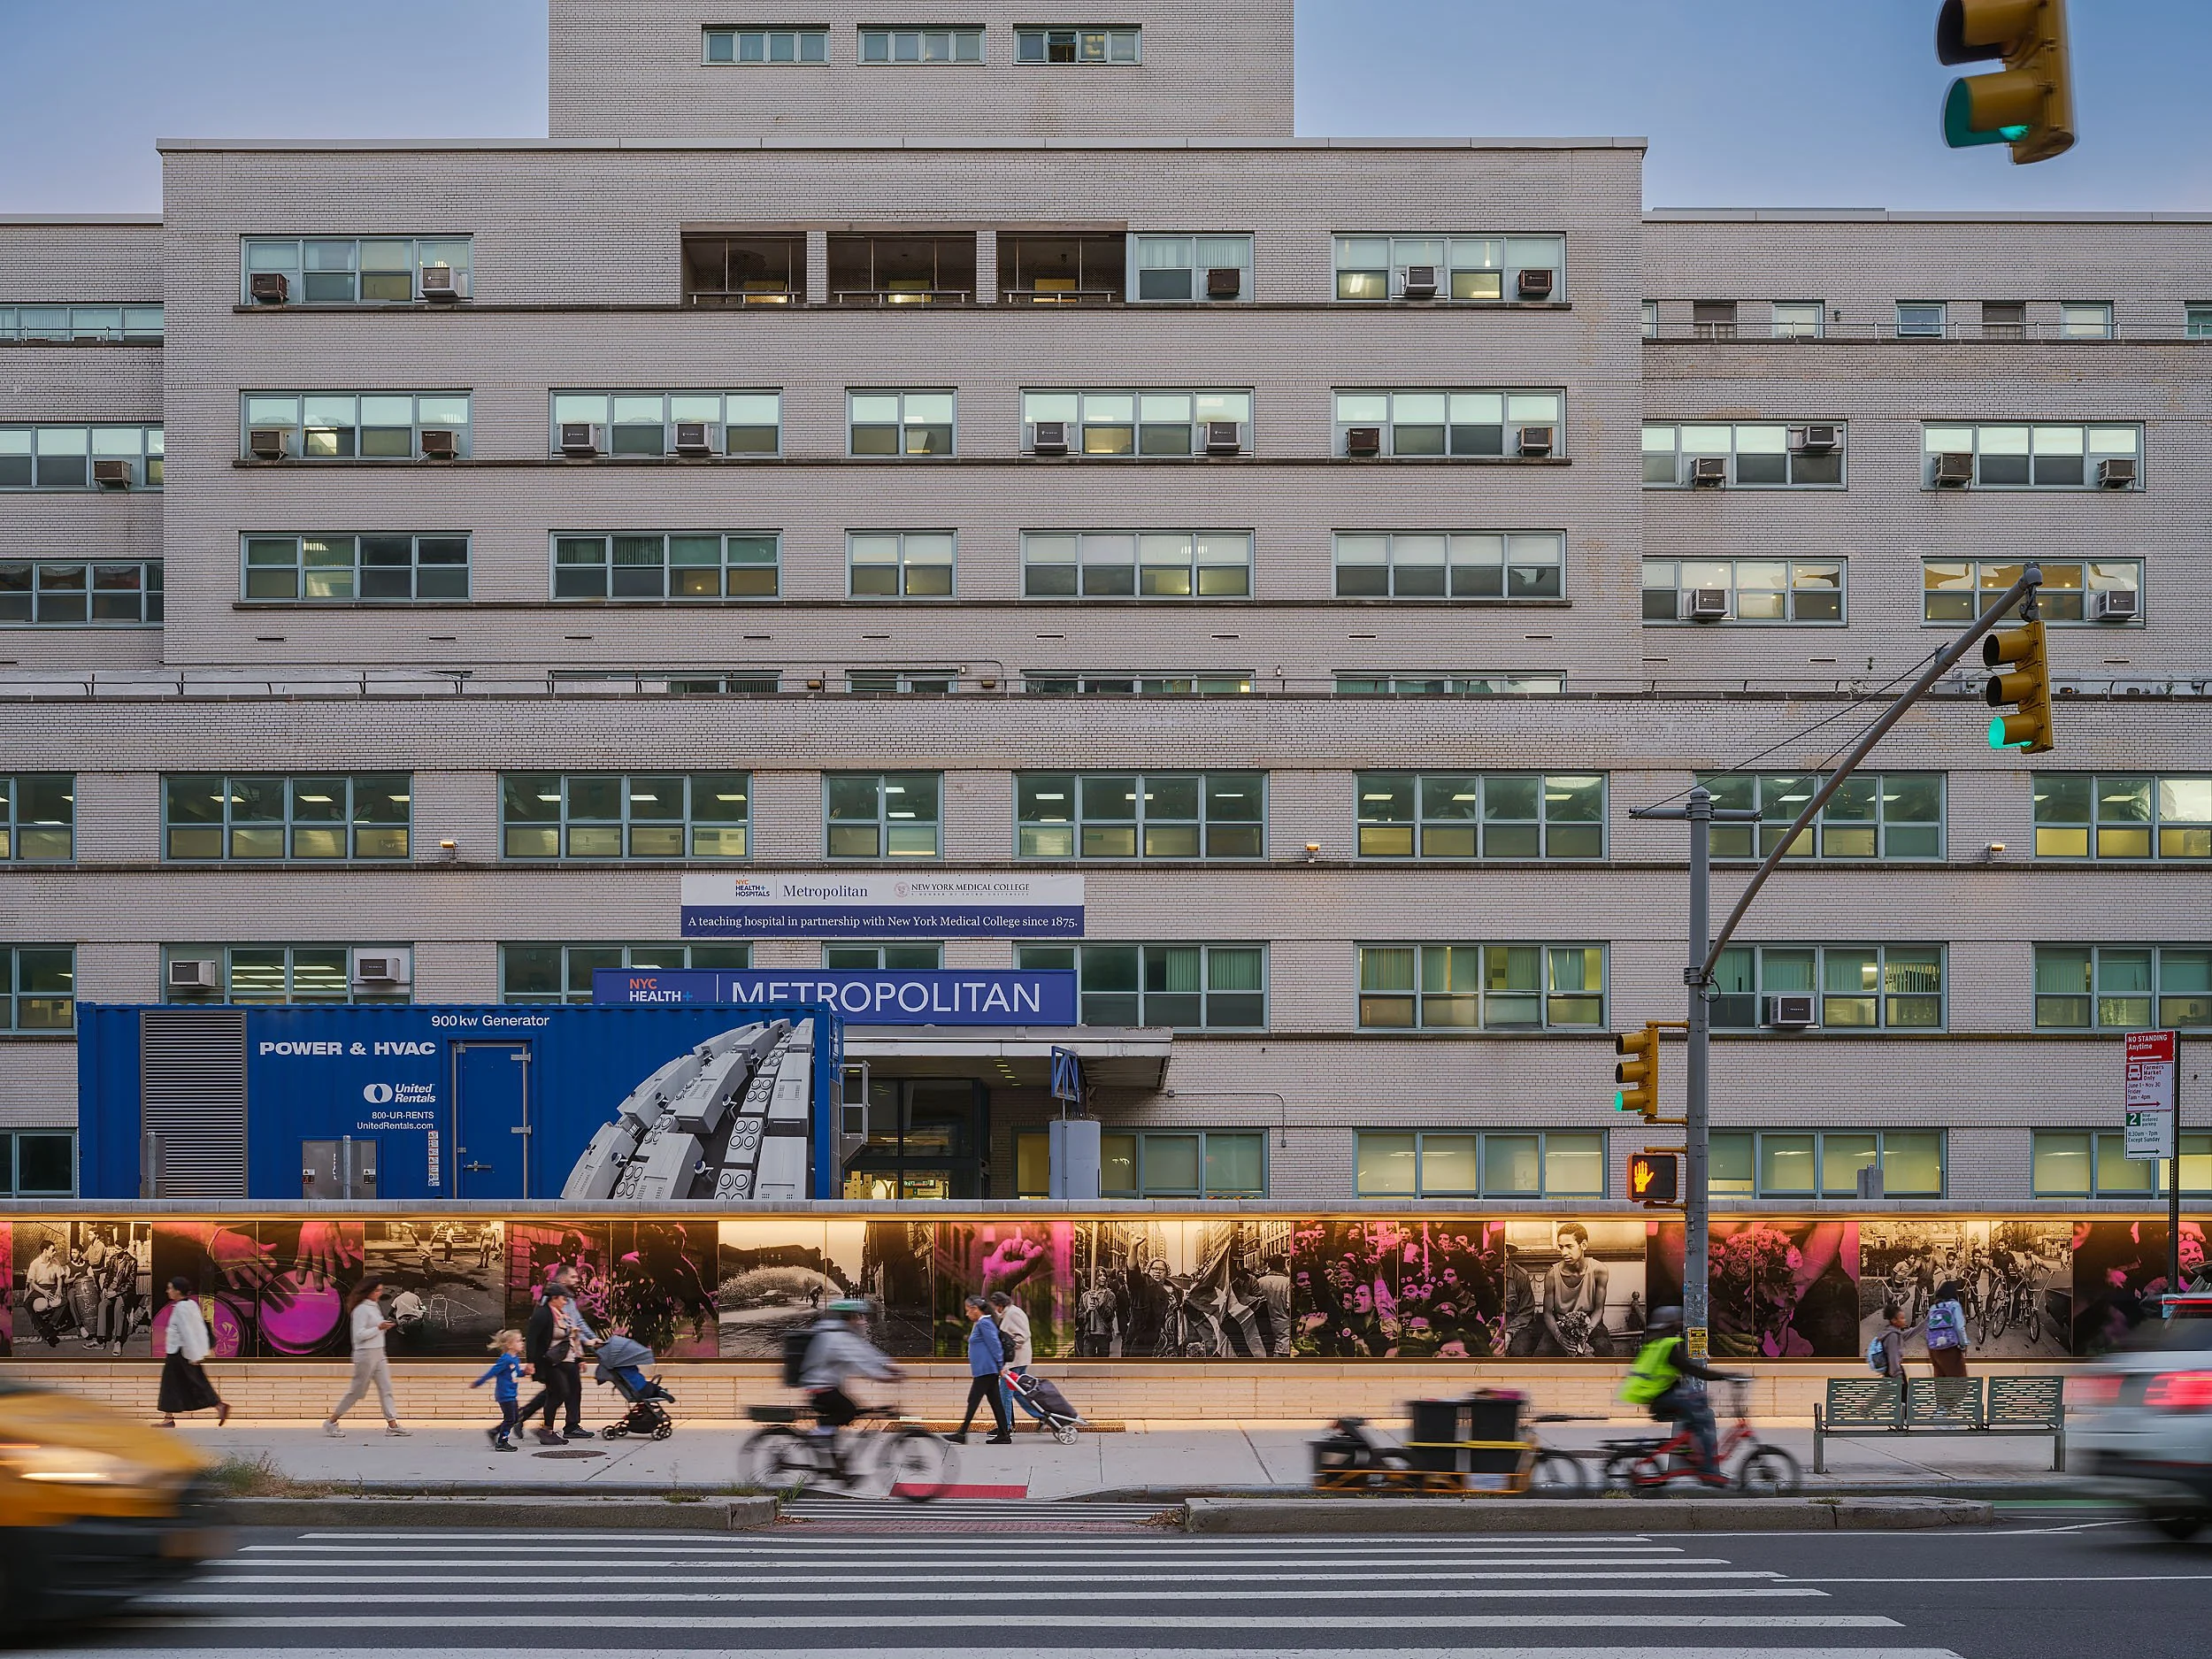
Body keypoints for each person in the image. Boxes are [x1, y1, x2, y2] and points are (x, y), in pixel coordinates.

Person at [1619, 1305, 1744, 1484]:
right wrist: (1723, 1375)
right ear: (1670, 1325)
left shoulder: (1657, 1343)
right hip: (1662, 1398)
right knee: (1703, 1418)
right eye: (1677, 1323)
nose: (1679, 1326)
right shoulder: (1668, 1347)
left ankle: (1690, 1451)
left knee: (1699, 1404)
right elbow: (1691, 1369)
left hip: (1658, 1396)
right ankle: (1709, 1471)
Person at [797, 1298, 902, 1471]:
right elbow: (860, 1361)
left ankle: (835, 1464)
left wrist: (888, 1365)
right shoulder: (837, 1337)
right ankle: (817, 1434)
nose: (861, 1320)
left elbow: (866, 1353)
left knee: (849, 1411)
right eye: (857, 1316)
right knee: (848, 1411)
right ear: (847, 1318)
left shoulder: (842, 1334)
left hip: (828, 1386)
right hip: (821, 1388)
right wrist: (883, 1376)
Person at [324, 1276, 409, 1438]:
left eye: (380, 1290)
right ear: (368, 1291)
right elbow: (359, 1335)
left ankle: (392, 1425)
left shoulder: (373, 1306)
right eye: (376, 1290)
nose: (379, 1293)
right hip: (365, 1354)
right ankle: (331, 1421)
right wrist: (379, 1327)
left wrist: (382, 1327)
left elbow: (375, 1330)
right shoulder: (361, 1309)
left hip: (379, 1352)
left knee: (386, 1388)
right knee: (357, 1392)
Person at [156, 1277, 229, 1428]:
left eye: (170, 1288)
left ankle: (218, 1405)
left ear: (177, 1290)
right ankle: (169, 1417)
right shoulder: (191, 1305)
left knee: (174, 1384)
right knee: (187, 1382)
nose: (167, 1291)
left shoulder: (182, 1309)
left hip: (180, 1352)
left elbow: (188, 1332)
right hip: (186, 1351)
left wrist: (194, 1355)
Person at [518, 1286, 581, 1445]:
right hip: (549, 1362)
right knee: (560, 1392)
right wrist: (531, 1361)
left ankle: (546, 1429)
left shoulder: (561, 1314)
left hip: (564, 1362)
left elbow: (570, 1338)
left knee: (558, 1393)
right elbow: (532, 1338)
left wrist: (579, 1358)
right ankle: (545, 1429)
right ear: (554, 1298)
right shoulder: (542, 1314)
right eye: (563, 1298)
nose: (565, 1301)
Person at [1540, 1223, 1613, 1356]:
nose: (1564, 1253)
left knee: (1605, 1350)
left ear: (1583, 1245)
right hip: (1560, 1322)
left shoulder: (1599, 1271)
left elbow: (1599, 1309)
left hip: (1590, 1321)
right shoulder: (1552, 1274)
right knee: (1542, 1353)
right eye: (1561, 1247)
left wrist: (1585, 1332)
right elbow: (1547, 1313)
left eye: (1569, 1247)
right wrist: (1559, 1337)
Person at [949, 1294, 1012, 1445]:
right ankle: (1004, 1435)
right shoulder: (983, 1323)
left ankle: (962, 1433)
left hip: (986, 1370)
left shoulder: (984, 1323)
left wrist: (1000, 1365)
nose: (966, 1314)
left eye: (968, 1310)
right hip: (986, 1370)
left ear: (975, 1309)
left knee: (973, 1401)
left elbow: (995, 1345)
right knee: (996, 1402)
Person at [988, 1291, 1051, 1430]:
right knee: (1018, 1392)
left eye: (994, 1306)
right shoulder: (1010, 1313)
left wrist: (1007, 1346)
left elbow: (1023, 1335)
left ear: (1000, 1305)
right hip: (1018, 1359)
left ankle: (1005, 1427)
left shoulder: (1012, 1313)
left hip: (1015, 1360)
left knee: (1005, 1393)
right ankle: (1042, 1416)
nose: (994, 1310)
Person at [472, 1328, 530, 1451]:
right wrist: (479, 1382)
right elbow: (492, 1372)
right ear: (509, 1345)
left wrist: (524, 1372)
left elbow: (514, 1373)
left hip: (511, 1394)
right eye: (519, 1341)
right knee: (510, 1418)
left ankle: (494, 1431)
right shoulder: (505, 1359)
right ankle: (502, 1442)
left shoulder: (514, 1359)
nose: (522, 1343)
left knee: (514, 1418)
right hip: (505, 1394)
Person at [1256, 1255, 1294, 1358]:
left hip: (1263, 1327)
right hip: (1283, 1330)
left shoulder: (1259, 1281)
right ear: (1283, 1266)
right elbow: (1289, 1306)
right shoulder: (1287, 1282)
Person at [1874, 1300, 1918, 1387]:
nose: (1904, 1320)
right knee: (1903, 1398)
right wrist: (1898, 1377)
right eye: (1902, 1318)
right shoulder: (1892, 1336)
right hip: (1894, 1373)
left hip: (1892, 1372)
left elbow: (1912, 1332)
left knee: (1892, 1398)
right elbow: (1893, 1357)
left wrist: (1927, 1321)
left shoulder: (1894, 1333)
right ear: (1894, 1320)